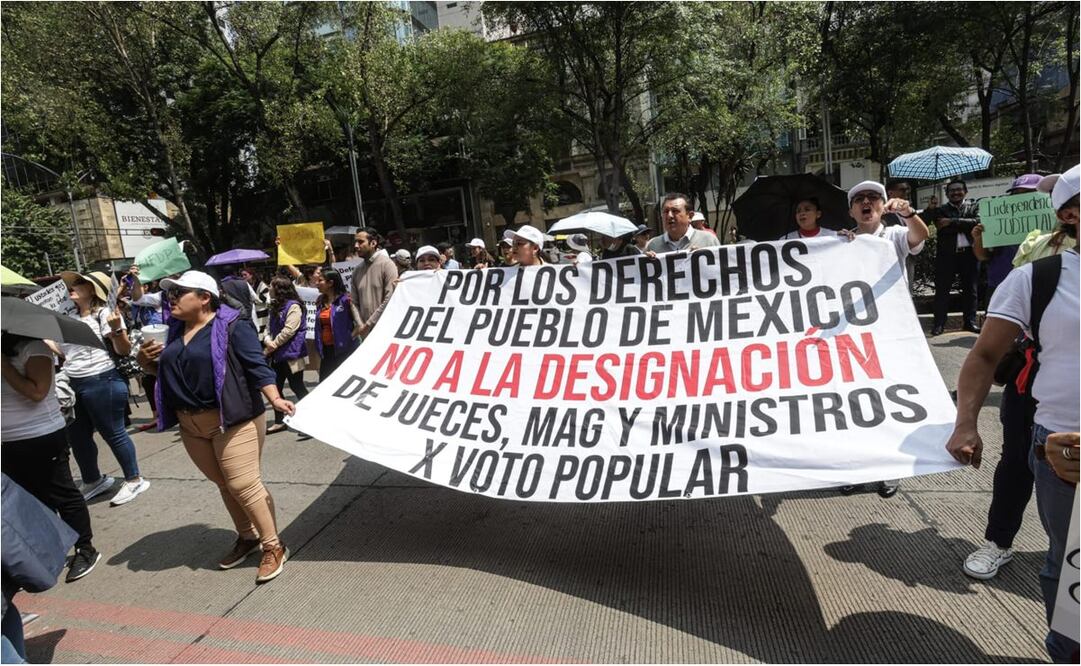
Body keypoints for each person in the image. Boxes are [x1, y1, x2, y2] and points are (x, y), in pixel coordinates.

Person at [946, 164, 1079, 663]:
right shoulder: (1037, 278)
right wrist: (966, 423)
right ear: (1070, 214)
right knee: (1071, 565)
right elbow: (984, 355)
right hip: (1064, 449)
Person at [136, 271, 295, 583]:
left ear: (204, 298)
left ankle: (274, 546)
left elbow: (256, 366)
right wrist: (146, 363)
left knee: (244, 484)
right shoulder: (174, 331)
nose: (171, 298)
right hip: (190, 425)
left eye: (179, 293)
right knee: (224, 484)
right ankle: (247, 537)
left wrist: (275, 398)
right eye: (170, 293)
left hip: (234, 419)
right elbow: (171, 373)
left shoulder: (233, 325)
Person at [839, 180, 929, 498]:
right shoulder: (842, 242)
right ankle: (857, 467)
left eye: (873, 198)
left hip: (891, 333)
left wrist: (908, 213)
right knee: (855, 403)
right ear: (851, 210)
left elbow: (920, 235)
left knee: (889, 402)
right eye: (859, 199)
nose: (867, 202)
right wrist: (838, 248)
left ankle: (890, 468)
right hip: (854, 334)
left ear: (882, 205)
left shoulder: (894, 235)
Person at [1, 333, 99, 583]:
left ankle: (85, 549)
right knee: (31, 502)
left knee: (62, 494)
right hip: (7, 440)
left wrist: (2, 364)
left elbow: (38, 392)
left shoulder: (34, 348)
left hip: (41, 435)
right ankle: (51, 550)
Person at [59, 271, 150, 506]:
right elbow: (65, 353)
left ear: (92, 290)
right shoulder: (68, 315)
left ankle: (134, 479)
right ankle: (93, 480)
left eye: (79, 283)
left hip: (103, 379)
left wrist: (117, 329)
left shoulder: (105, 313)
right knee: (78, 436)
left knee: (113, 433)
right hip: (73, 382)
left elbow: (123, 350)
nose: (72, 287)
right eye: (72, 284)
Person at [924, 179, 981, 335]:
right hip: (946, 256)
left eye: (959, 190)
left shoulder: (974, 206)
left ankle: (970, 322)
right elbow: (928, 223)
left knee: (971, 290)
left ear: (965, 191)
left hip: (969, 254)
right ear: (947, 194)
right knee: (942, 291)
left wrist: (951, 222)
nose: (956, 193)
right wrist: (930, 209)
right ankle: (939, 324)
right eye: (952, 191)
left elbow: (977, 222)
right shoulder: (941, 210)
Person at [263, 276, 308, 435]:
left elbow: (289, 330)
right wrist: (267, 340)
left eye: (271, 286)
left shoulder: (294, 306)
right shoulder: (274, 306)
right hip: (276, 356)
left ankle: (308, 421)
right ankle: (279, 421)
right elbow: (267, 328)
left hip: (291, 355)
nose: (269, 288)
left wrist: (273, 345)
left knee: (297, 386)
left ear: (279, 289)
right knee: (275, 388)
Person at [349, 227, 398, 341]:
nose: (356, 246)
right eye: (355, 242)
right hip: (365, 333)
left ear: (373, 243)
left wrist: (368, 324)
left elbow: (390, 298)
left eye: (360, 242)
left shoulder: (387, 265)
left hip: (385, 331)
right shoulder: (357, 270)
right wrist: (360, 324)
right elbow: (354, 302)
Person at [313, 267, 357, 382]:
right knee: (324, 383)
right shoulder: (320, 301)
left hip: (344, 352)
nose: (317, 283)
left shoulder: (346, 300)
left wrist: (347, 339)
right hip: (326, 351)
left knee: (343, 383)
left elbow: (360, 325)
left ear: (330, 283)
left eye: (320, 280)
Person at [646, 193, 722, 254]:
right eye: (666, 211)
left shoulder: (708, 240)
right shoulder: (653, 246)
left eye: (675, 211)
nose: (669, 216)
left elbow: (721, 266)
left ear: (690, 216)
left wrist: (703, 259)